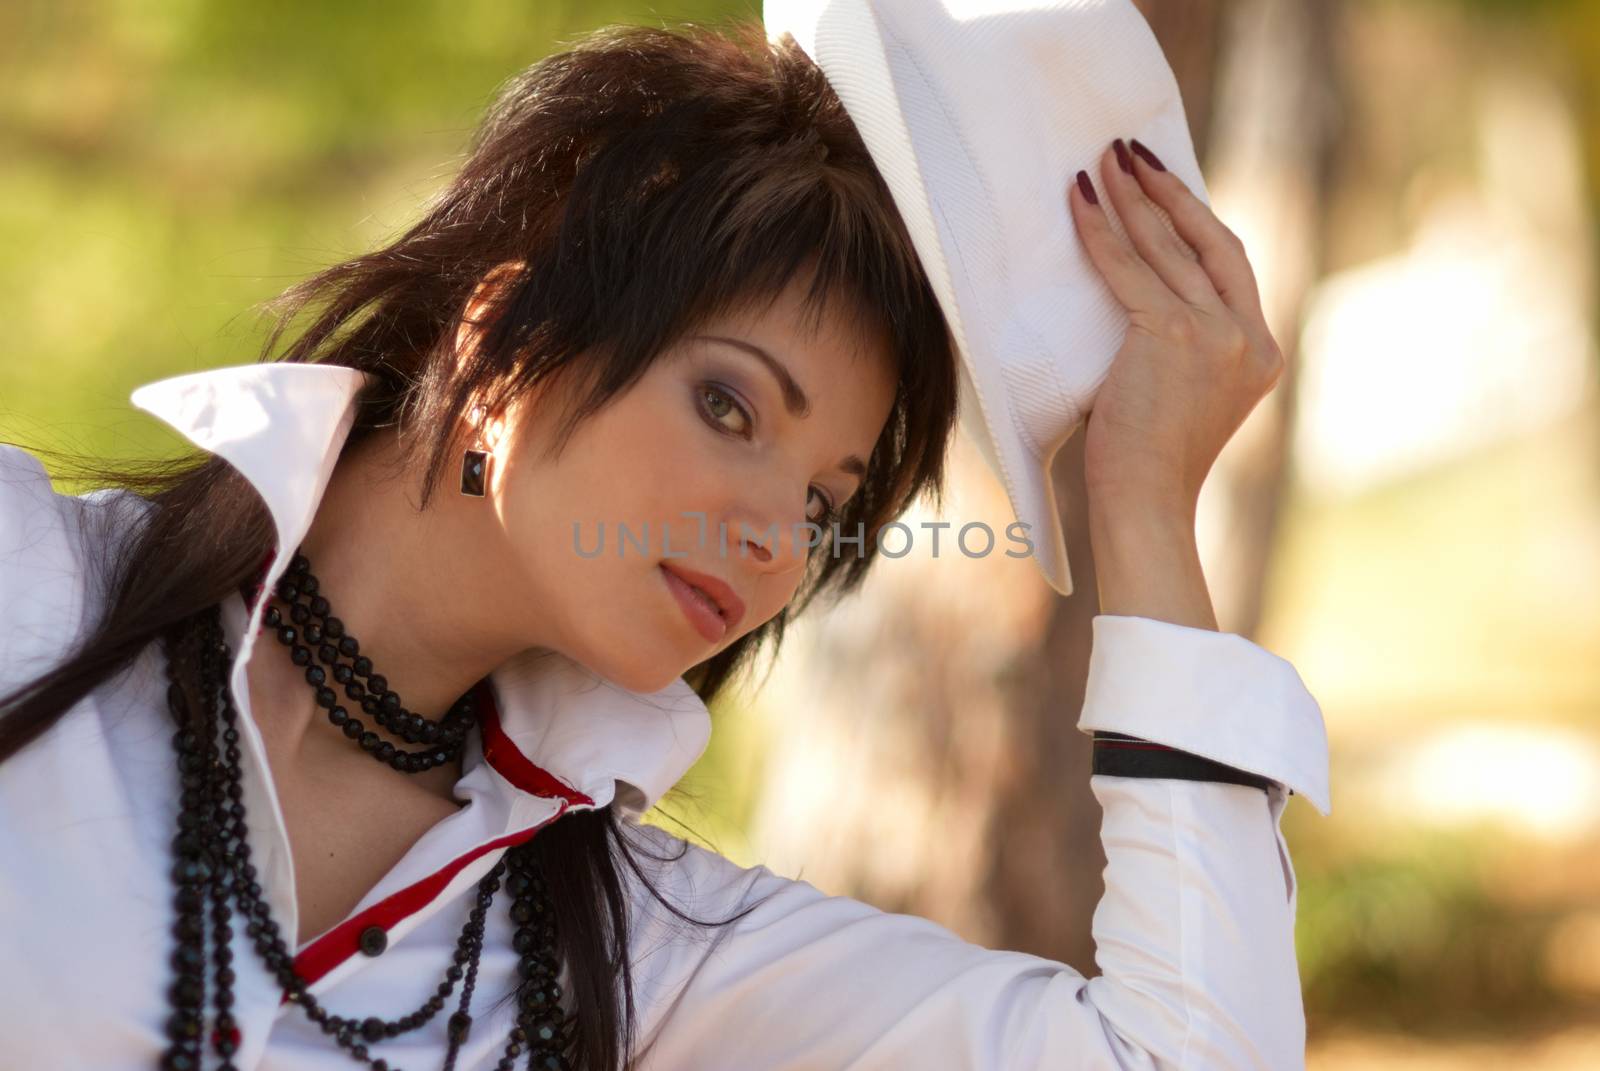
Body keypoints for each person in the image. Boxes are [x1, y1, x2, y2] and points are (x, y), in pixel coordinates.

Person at [0, 19, 1328, 1071]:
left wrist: (1144, 509)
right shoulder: (32, 596)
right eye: (728, 404)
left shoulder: (637, 942)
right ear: (500, 342)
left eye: (826, 504)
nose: (771, 538)